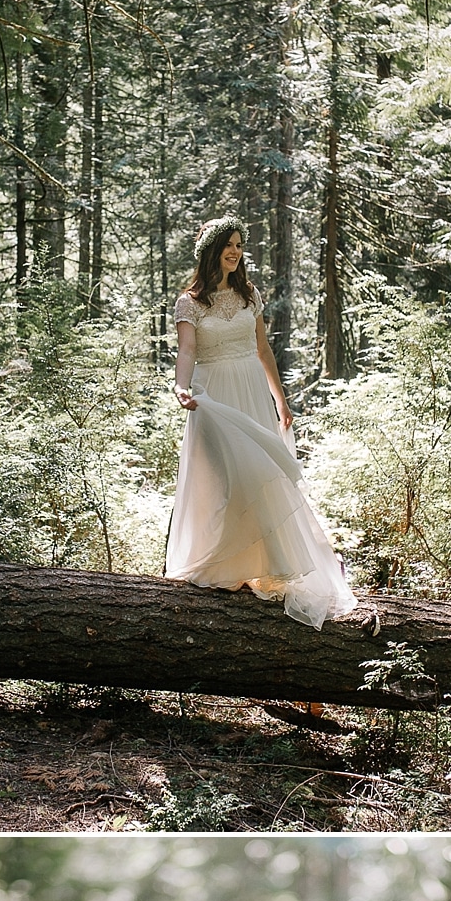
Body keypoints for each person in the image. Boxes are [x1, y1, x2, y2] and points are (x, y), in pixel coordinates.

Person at [166, 219, 358, 633]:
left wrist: (280, 399)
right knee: (224, 479)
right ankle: (222, 564)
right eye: (227, 246)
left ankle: (267, 566)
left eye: (239, 246)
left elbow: (263, 349)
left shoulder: (249, 295)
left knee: (262, 473)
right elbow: (186, 350)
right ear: (210, 251)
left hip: (251, 391)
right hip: (213, 394)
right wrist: (181, 388)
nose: (235, 252)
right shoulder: (190, 303)